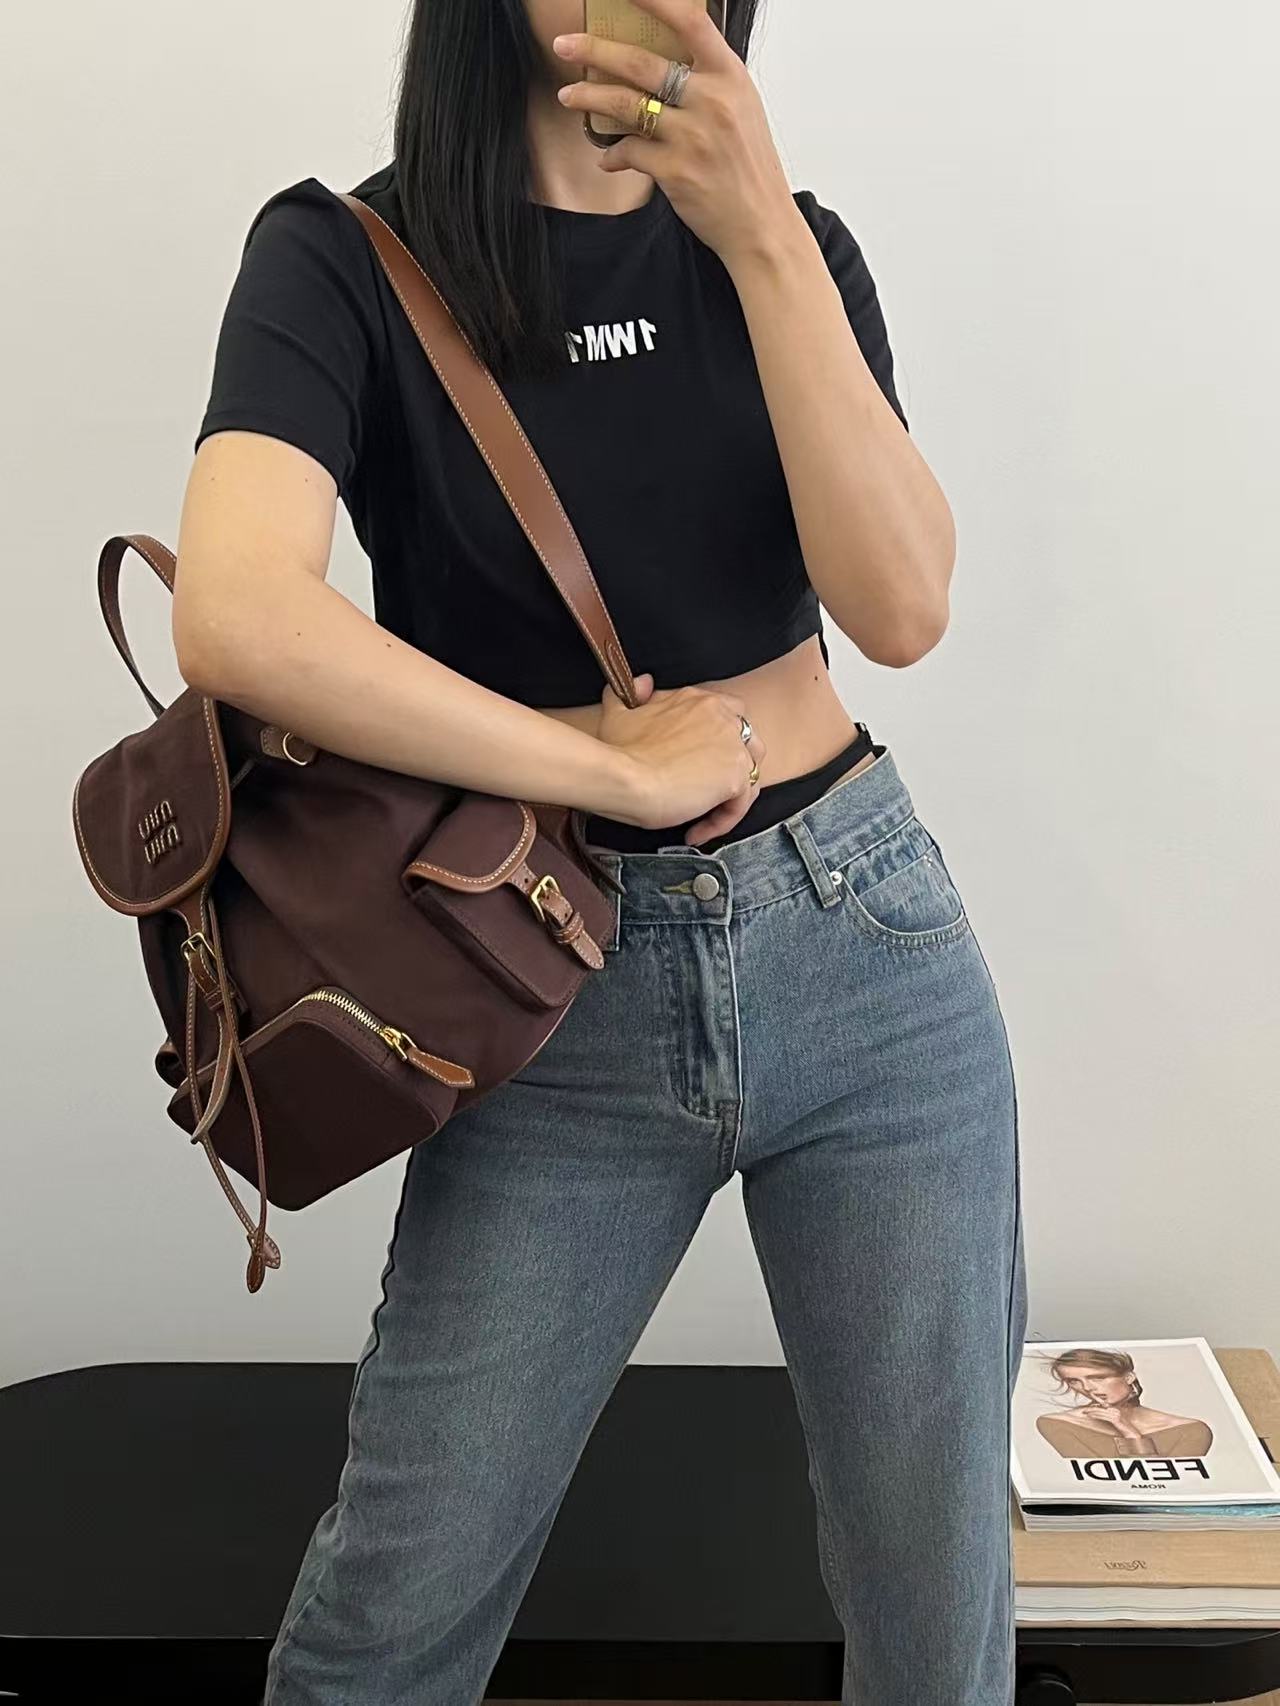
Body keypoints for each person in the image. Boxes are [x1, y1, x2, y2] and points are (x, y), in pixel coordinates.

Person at [174, 1, 1028, 1700]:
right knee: (388, 1619)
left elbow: (902, 606)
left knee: (938, 1621)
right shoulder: (344, 258)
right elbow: (238, 610)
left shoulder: (794, 250)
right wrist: (592, 761)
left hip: (864, 941)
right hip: (546, 979)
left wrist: (761, 229)